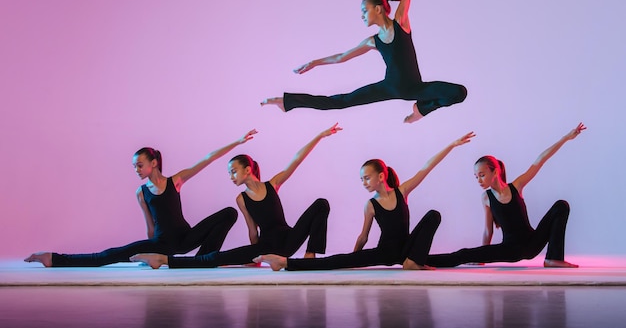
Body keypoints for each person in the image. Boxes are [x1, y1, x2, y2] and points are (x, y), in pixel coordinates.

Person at [261, 0, 466, 123]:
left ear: (378, 9)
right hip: (389, 87)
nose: (362, 16)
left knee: (458, 93)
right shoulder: (372, 41)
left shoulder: (401, 21)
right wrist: (314, 62)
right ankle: (287, 102)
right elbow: (341, 57)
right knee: (340, 101)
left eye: (364, 10)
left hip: (415, 89)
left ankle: (421, 110)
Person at [24, 130, 257, 267]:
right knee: (109, 254)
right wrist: (150, 249)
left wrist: (237, 142)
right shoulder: (141, 192)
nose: (136, 170)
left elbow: (207, 159)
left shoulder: (174, 181)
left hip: (186, 238)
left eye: (139, 165)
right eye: (134, 166)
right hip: (160, 244)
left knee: (229, 213)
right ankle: (53, 259)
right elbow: (150, 228)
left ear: (153, 163)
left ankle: (203, 260)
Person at [255, 131, 476, 271]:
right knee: (337, 261)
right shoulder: (371, 205)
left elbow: (427, 167)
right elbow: (363, 236)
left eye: (367, 177)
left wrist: (452, 145)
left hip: (406, 250)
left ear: (381, 176)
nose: (363, 182)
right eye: (361, 179)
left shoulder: (402, 192)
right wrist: (353, 257)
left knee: (434, 220)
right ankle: (284, 262)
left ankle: (415, 261)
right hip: (386, 252)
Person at [130, 123, 341, 269]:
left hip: (288, 240)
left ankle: (310, 255)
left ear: (247, 170)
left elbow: (296, 159)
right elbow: (252, 231)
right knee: (219, 258)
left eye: (233, 171)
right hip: (266, 246)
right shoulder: (241, 199)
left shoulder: (273, 184)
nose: (230, 176)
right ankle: (164, 260)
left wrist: (320, 136)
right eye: (229, 173)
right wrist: (254, 256)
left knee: (321, 204)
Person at [427, 123, 586, 268]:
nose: (479, 180)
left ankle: (553, 258)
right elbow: (488, 231)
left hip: (532, 243)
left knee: (561, 206)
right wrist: (483, 255)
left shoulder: (517, 186)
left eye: (482, 175)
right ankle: (419, 260)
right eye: (476, 177)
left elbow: (540, 159)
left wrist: (566, 138)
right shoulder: (486, 197)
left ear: (494, 171)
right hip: (510, 249)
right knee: (463, 254)